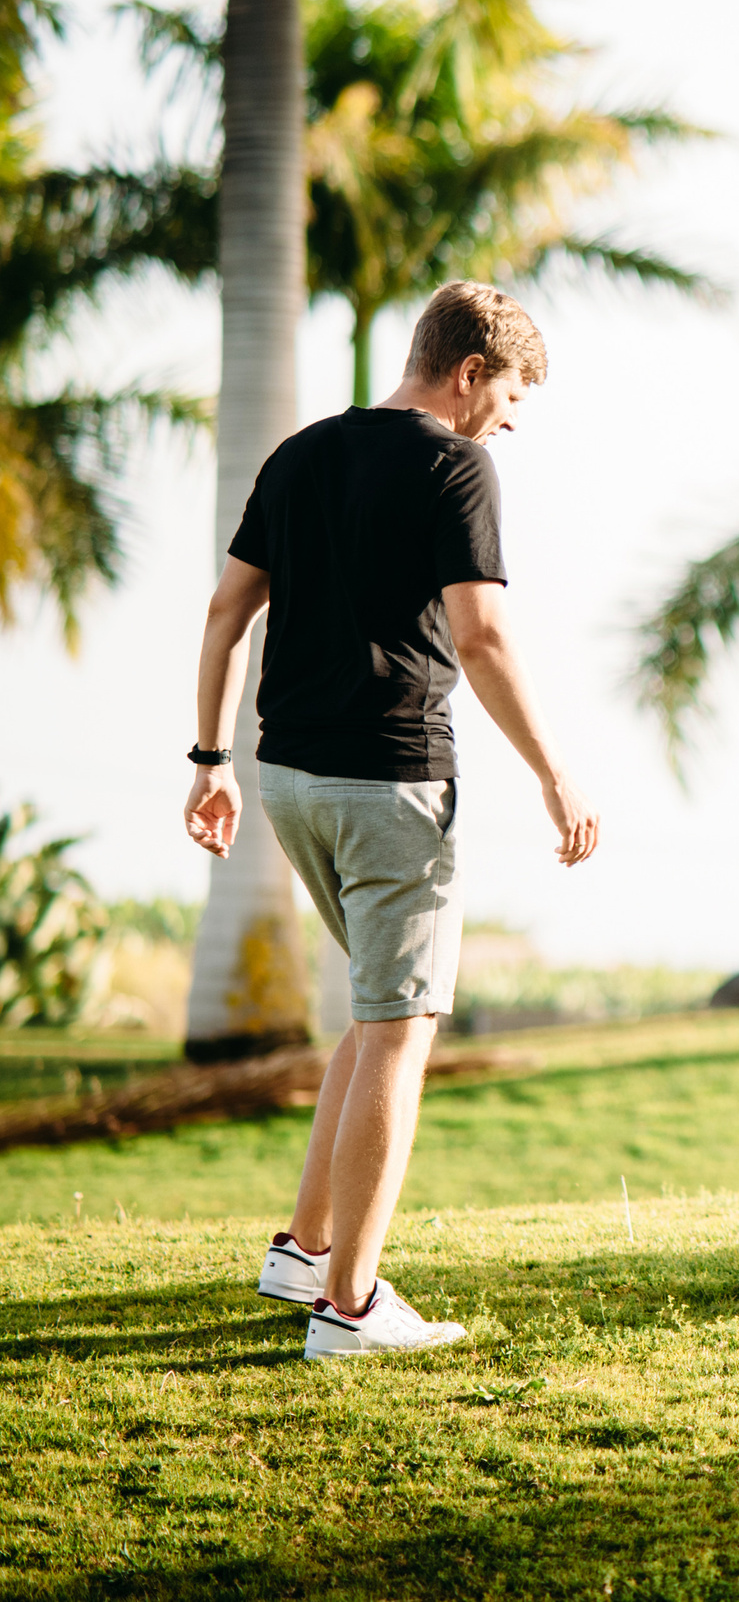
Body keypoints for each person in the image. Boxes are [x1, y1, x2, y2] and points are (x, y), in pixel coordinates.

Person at [182, 281, 600, 1360]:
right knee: (402, 1032)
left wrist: (210, 761)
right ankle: (351, 1305)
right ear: (468, 372)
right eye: (511, 396)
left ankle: (304, 1250)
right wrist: (556, 773)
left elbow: (227, 612)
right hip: (392, 785)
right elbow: (484, 637)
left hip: (289, 780)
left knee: (375, 1016)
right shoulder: (457, 466)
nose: (511, 421)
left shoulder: (299, 454)